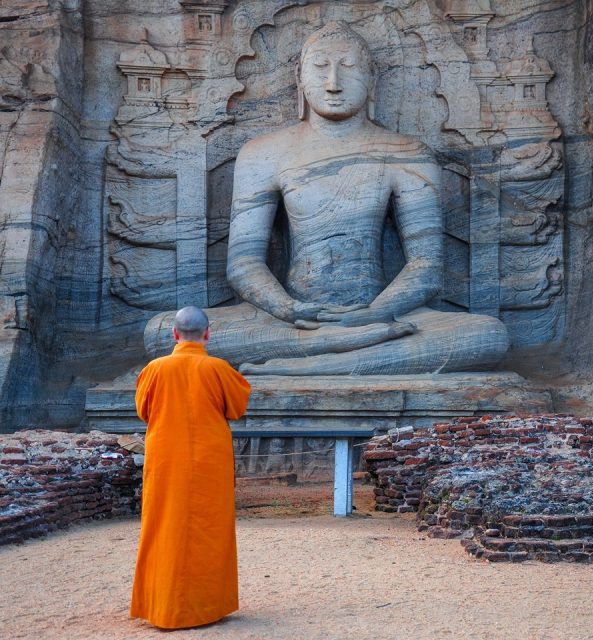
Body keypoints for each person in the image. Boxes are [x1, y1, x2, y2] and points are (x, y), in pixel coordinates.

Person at [143, 21, 509, 375]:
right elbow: (243, 265)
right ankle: (349, 350)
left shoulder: (406, 153)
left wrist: (374, 313)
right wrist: (286, 308)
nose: (333, 83)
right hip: (291, 321)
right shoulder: (263, 153)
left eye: (348, 68)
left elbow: (426, 268)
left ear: (372, 82)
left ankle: (317, 362)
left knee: (487, 335)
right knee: (162, 333)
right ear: (299, 80)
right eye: (320, 68)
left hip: (384, 314)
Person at [130, 306, 251, 629]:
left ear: (173, 334)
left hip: (165, 458)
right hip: (209, 461)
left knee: (163, 526)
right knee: (209, 529)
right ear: (208, 334)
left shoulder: (154, 369)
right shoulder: (219, 368)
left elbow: (144, 411)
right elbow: (238, 408)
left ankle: (164, 606)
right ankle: (206, 607)